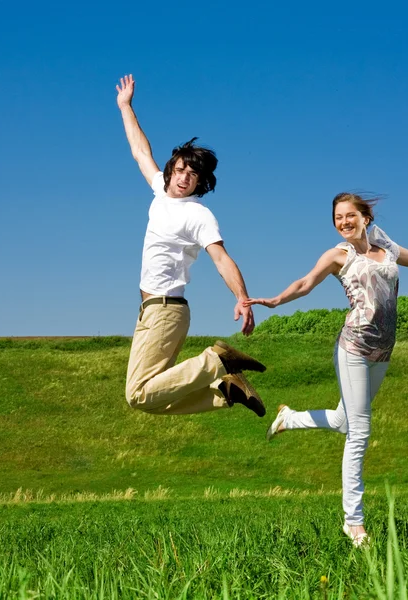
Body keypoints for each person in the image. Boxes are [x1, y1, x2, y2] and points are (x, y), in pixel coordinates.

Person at [244, 192, 408, 546]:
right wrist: (277, 300)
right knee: (360, 433)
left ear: (365, 217)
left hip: (383, 350)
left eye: (349, 215)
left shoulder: (387, 247)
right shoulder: (339, 255)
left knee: (344, 421)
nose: (343, 222)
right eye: (338, 217)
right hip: (353, 347)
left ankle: (289, 418)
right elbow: (306, 283)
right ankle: (354, 523)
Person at [116, 74, 266, 418]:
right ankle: (226, 391)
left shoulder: (198, 215)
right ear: (171, 170)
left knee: (137, 394)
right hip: (151, 311)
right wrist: (126, 106)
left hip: (167, 310)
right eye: (181, 169)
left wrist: (241, 298)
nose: (184, 177)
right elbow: (140, 151)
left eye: (192, 175)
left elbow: (221, 258)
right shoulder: (159, 191)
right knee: (150, 399)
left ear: (201, 182)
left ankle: (217, 359)